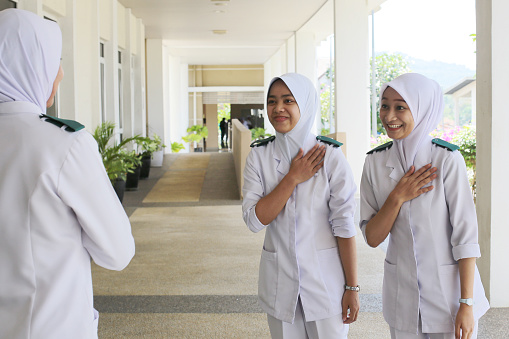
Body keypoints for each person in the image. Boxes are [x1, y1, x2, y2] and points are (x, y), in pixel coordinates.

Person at [0, 9, 135, 339]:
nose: (59, 74)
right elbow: (118, 253)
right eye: (52, 60)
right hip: (48, 327)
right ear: (32, 65)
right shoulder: (63, 144)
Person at [359, 73, 489, 339]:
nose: (389, 116)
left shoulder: (446, 160)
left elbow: (465, 237)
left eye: (400, 107)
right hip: (401, 298)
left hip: (449, 297)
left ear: (422, 108)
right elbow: (372, 237)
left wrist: (467, 303)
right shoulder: (374, 163)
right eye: (385, 105)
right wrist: (397, 197)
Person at [242, 73, 359, 339]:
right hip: (279, 283)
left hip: (325, 284)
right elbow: (254, 220)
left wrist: (352, 287)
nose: (278, 108)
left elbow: (344, 225)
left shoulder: (329, 156)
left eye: (288, 100)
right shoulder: (258, 157)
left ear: (304, 105)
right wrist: (292, 177)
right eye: (272, 101)